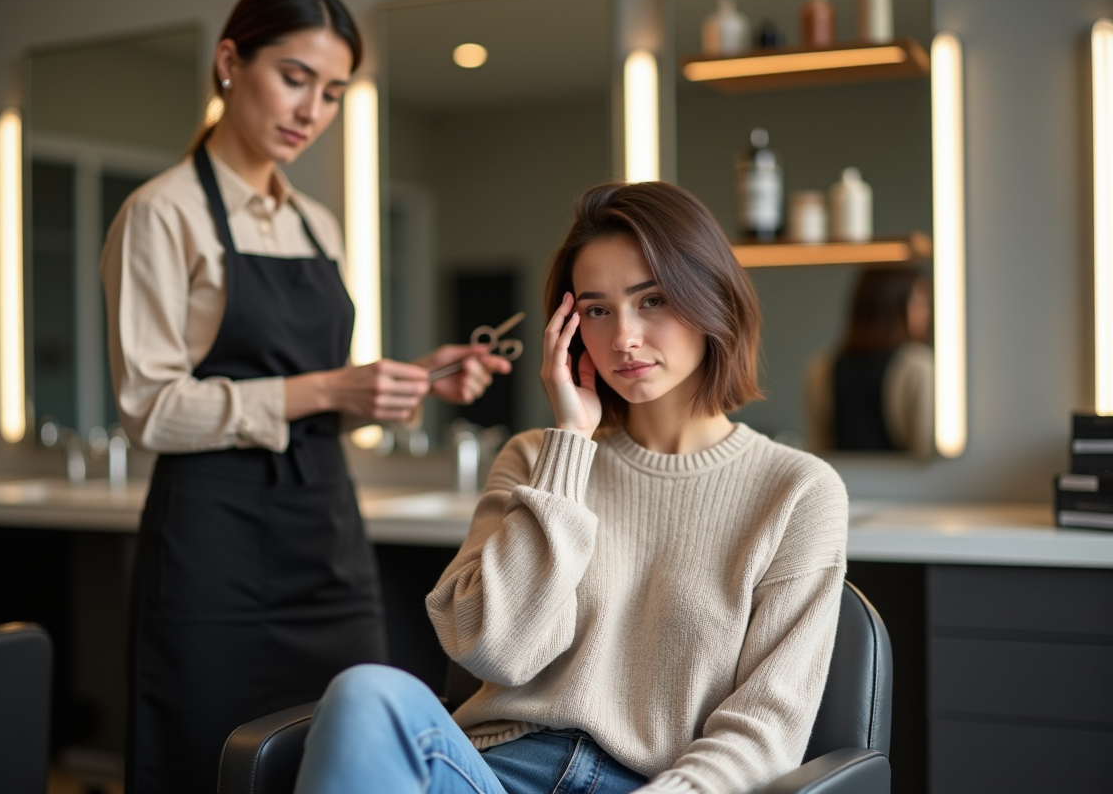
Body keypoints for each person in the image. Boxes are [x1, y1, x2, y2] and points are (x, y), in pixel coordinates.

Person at [289, 181, 849, 794]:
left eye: (653, 300)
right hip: (494, 774)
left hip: (651, 785)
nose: (624, 338)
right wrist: (571, 447)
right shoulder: (534, 458)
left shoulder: (798, 491)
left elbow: (766, 728)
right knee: (365, 693)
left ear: (710, 297)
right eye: (597, 310)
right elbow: (491, 649)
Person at [99, 0, 510, 791]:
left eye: (332, 92)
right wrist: (327, 385)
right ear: (229, 63)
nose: (311, 111)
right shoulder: (161, 213)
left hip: (324, 529)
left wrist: (405, 382)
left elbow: (318, 398)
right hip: (208, 539)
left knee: (340, 740)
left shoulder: (320, 223)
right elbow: (147, 409)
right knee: (201, 748)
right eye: (295, 79)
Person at [805, 268, 934, 457]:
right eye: (919, 302)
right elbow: (926, 454)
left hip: (843, 482)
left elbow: (820, 450)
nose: (926, 312)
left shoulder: (820, 367)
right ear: (893, 306)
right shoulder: (918, 366)